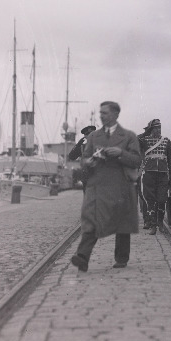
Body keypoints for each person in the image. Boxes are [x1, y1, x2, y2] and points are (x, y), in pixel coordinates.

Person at [71, 101, 141, 271]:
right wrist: (90, 161)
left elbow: (137, 160)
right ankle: (82, 257)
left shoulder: (129, 136)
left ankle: (121, 258)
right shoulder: (93, 137)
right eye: (100, 113)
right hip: (98, 185)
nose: (101, 116)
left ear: (116, 115)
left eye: (105, 113)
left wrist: (121, 153)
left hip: (121, 185)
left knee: (122, 222)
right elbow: (84, 160)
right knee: (92, 221)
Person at [137, 119, 171, 234]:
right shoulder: (145, 140)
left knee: (162, 199)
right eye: (155, 128)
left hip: (163, 174)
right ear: (151, 129)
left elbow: (170, 159)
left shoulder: (166, 141)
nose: (158, 130)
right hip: (149, 173)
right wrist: (146, 131)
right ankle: (153, 225)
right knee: (150, 200)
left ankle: (160, 222)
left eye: (159, 128)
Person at [68, 125, 97, 191]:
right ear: (85, 136)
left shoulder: (100, 145)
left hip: (99, 177)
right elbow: (71, 156)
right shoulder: (82, 147)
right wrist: (78, 144)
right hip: (87, 178)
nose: (90, 137)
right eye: (88, 135)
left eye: (92, 135)